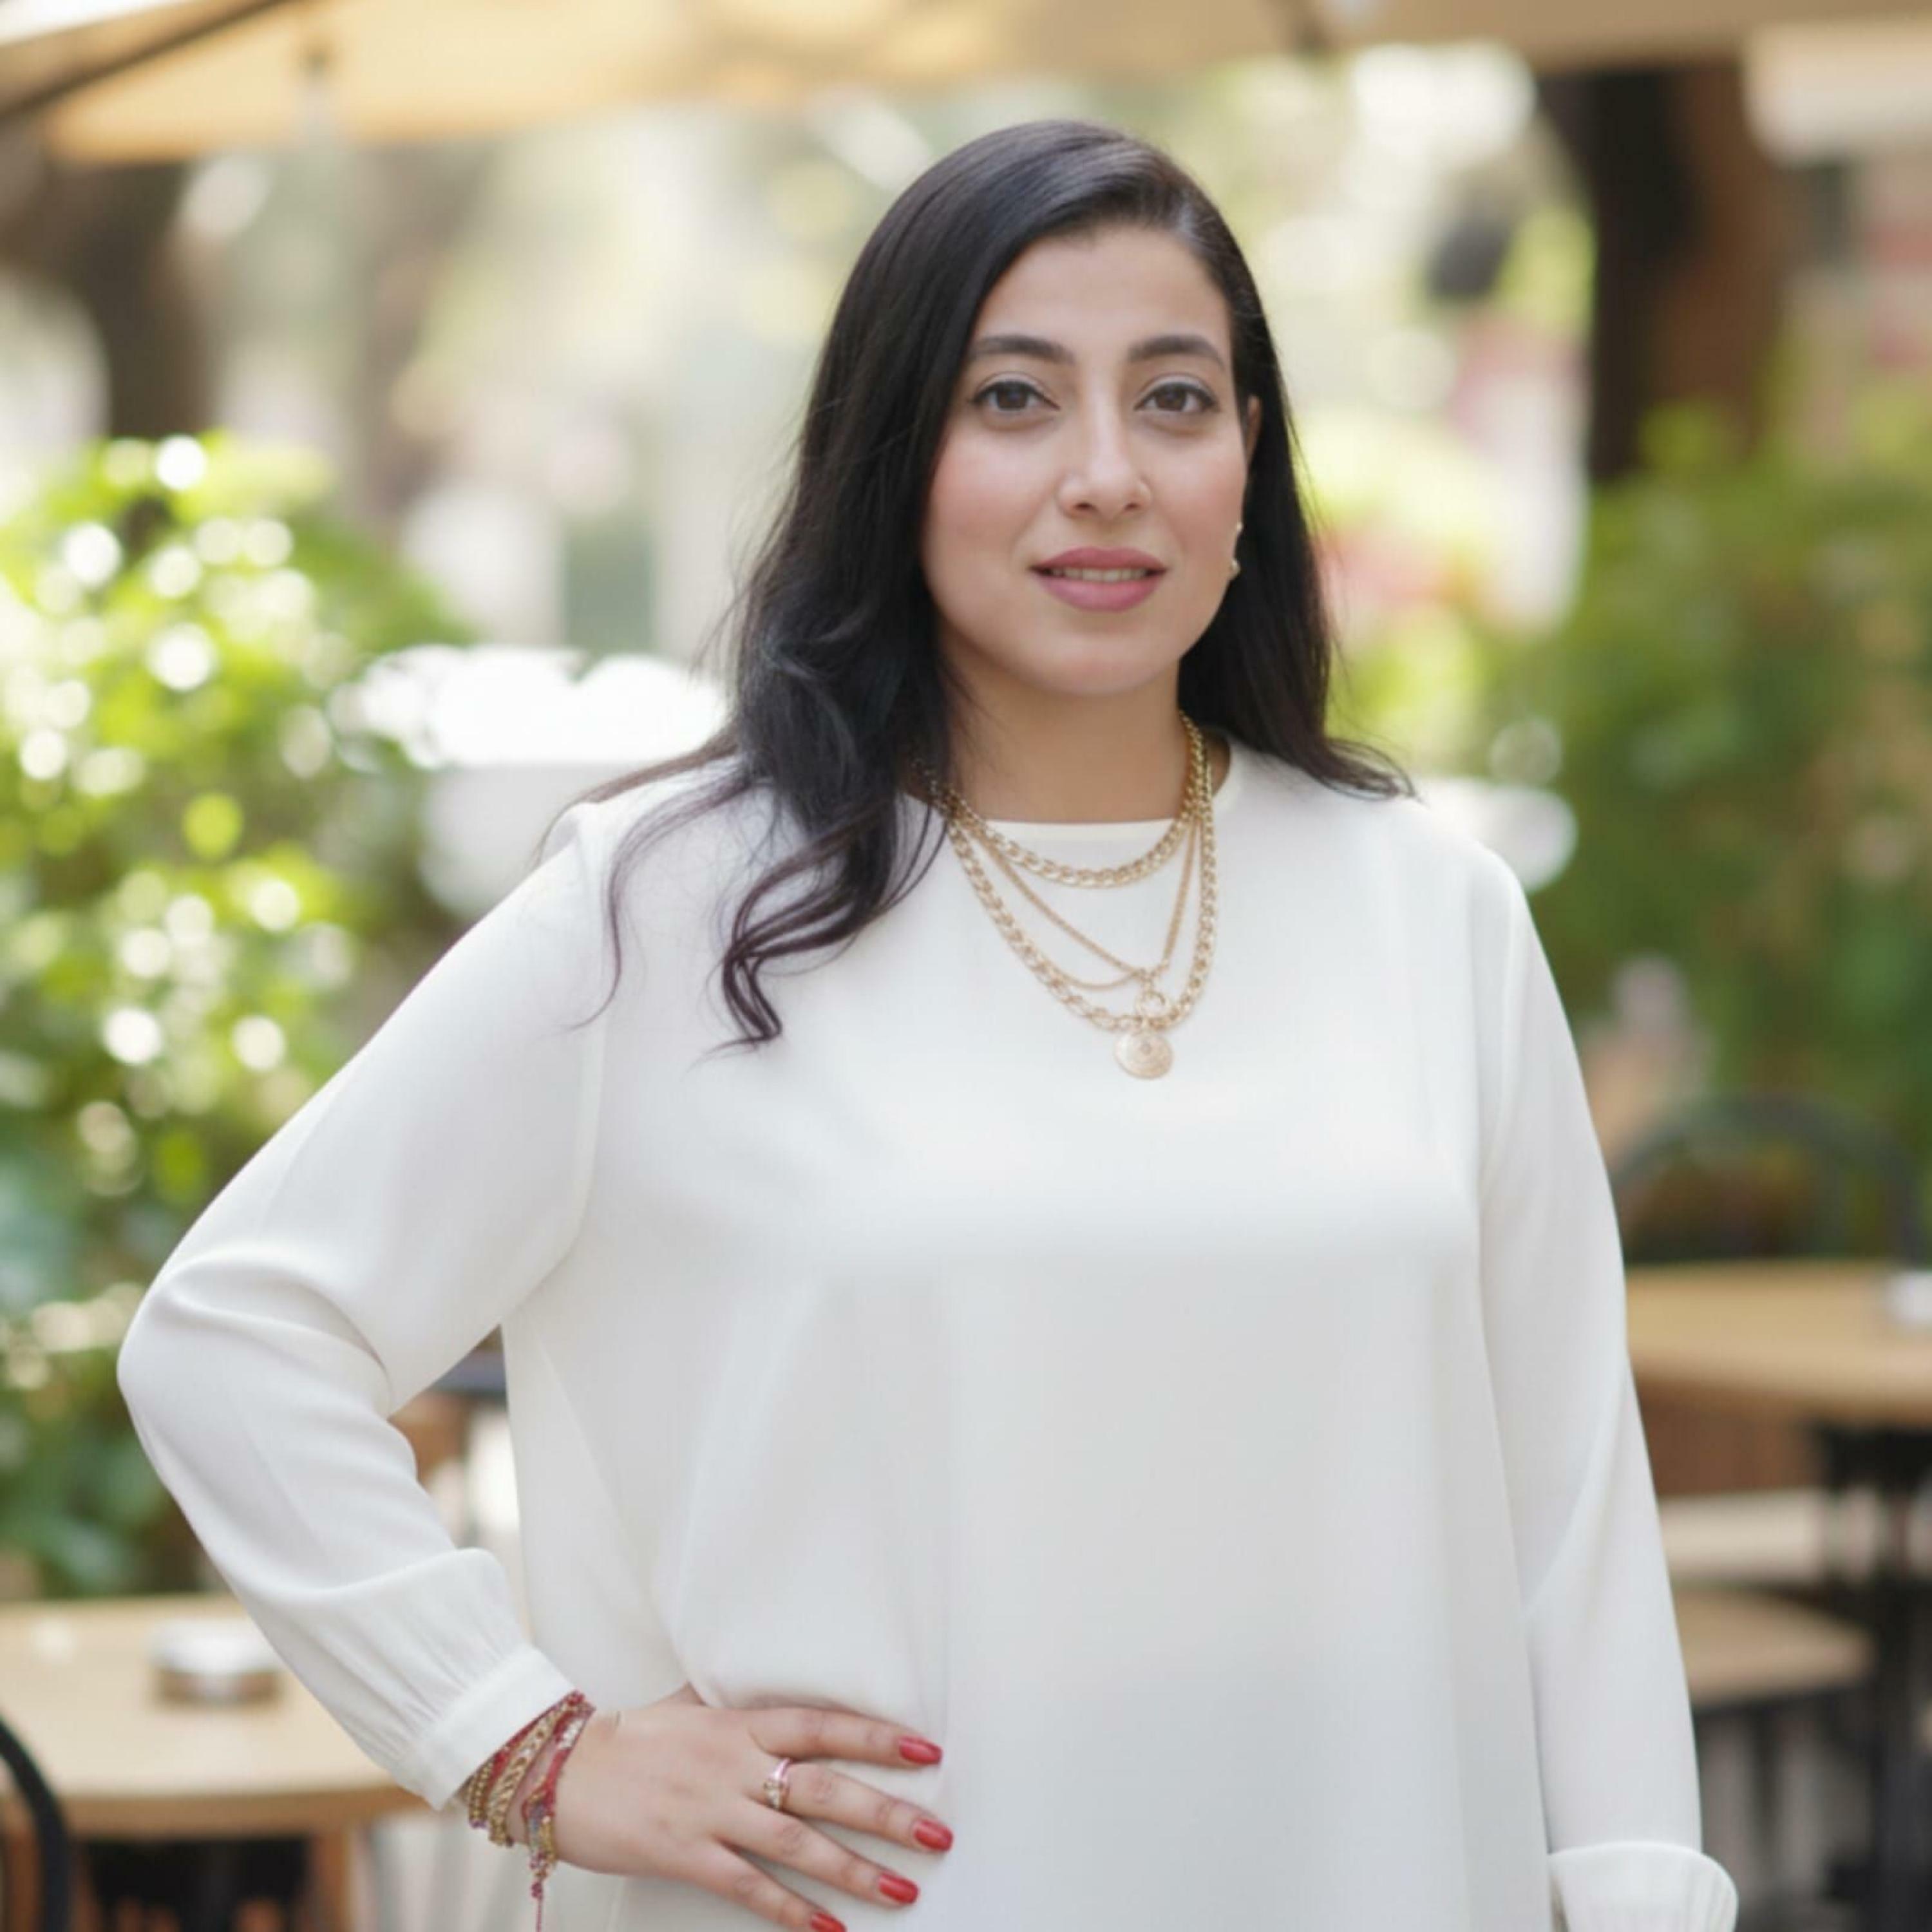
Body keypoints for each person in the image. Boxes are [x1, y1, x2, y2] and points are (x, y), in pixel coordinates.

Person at [116, 118, 1741, 1932]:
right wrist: (525, 1744)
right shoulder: (670, 910)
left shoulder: (1430, 913)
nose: (1107, 475)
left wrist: (1636, 1903)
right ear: (894, 456)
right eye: (1014, 401)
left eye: (1176, 399)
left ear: (1250, 462)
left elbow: (1572, 1521)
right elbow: (238, 1335)